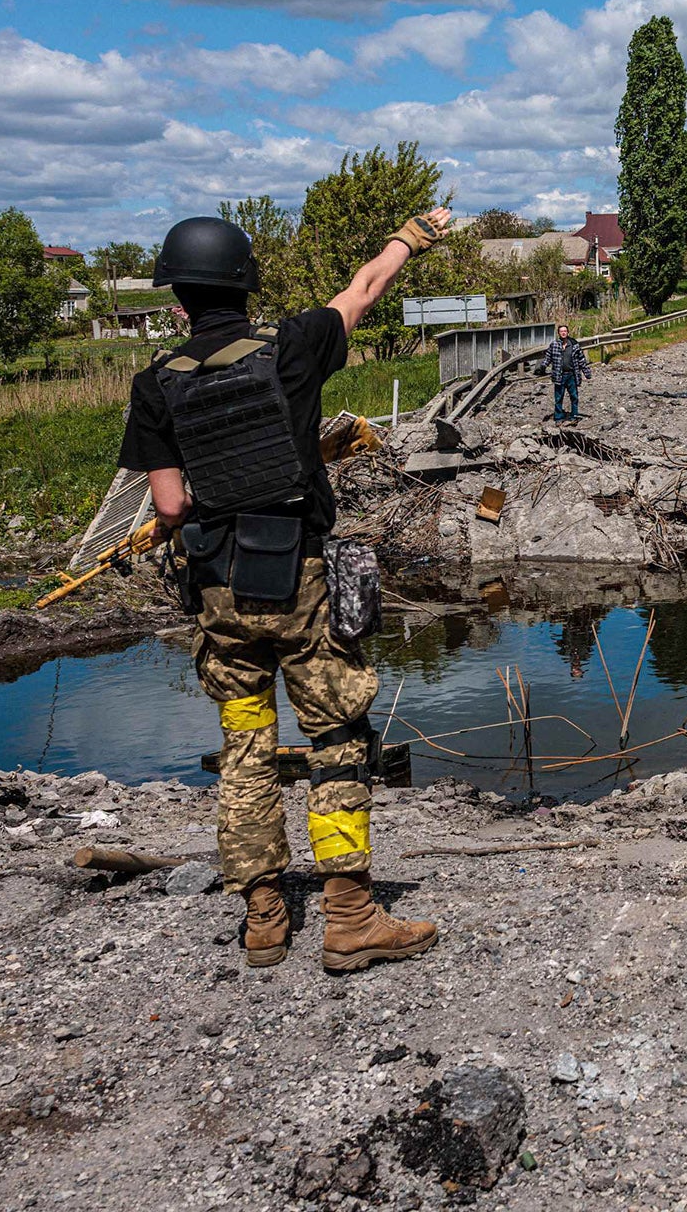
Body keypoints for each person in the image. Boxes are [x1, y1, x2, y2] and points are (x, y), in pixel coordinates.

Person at [118, 207, 453, 972]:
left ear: (178, 300)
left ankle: (265, 920)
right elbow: (364, 289)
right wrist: (410, 235)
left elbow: (169, 506)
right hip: (297, 578)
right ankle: (348, 916)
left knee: (245, 744)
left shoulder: (154, 383)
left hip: (216, 589)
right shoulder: (294, 346)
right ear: (246, 283)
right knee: (335, 739)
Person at [546, 323, 591, 422]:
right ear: (558, 333)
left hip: (571, 375)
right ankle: (558, 417)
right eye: (561, 331)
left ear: (568, 332)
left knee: (574, 396)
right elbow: (548, 357)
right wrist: (542, 367)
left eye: (565, 331)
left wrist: (587, 373)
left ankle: (574, 416)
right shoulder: (554, 345)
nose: (563, 333)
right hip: (559, 375)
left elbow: (581, 360)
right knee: (558, 397)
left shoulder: (574, 345)